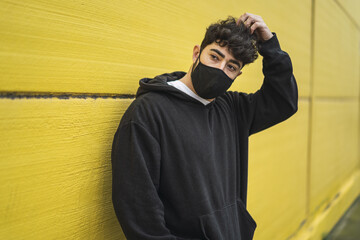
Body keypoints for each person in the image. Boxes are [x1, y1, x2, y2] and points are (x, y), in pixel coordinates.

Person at [111, 12, 298, 240]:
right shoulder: (148, 112)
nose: (220, 69)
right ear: (196, 53)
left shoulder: (232, 109)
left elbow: (283, 101)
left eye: (231, 66)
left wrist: (270, 46)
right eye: (215, 57)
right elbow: (138, 210)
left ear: (237, 74)